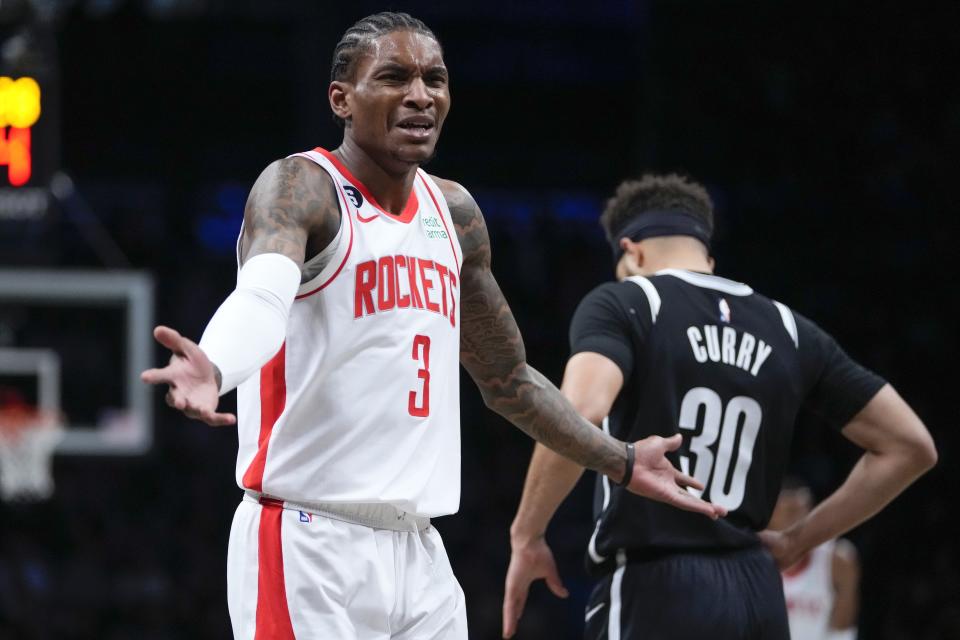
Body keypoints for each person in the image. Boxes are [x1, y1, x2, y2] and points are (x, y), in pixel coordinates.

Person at [140, 13, 723, 640]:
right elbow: (261, 296)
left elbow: (509, 380)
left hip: (420, 552)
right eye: (394, 77)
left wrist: (624, 460)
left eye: (435, 79)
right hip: (305, 541)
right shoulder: (303, 187)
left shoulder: (455, 213)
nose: (421, 94)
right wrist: (218, 364)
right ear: (341, 98)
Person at [501, 174, 937, 639]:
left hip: (657, 587)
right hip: (758, 594)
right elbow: (911, 446)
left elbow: (579, 413)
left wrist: (527, 533)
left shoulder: (627, 300)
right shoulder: (789, 329)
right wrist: (797, 541)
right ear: (707, 256)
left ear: (632, 251)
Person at [769, 478, 859, 640]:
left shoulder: (837, 559)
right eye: (789, 512)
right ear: (771, 515)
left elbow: (842, 631)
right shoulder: (751, 553)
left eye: (802, 511)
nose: (796, 521)